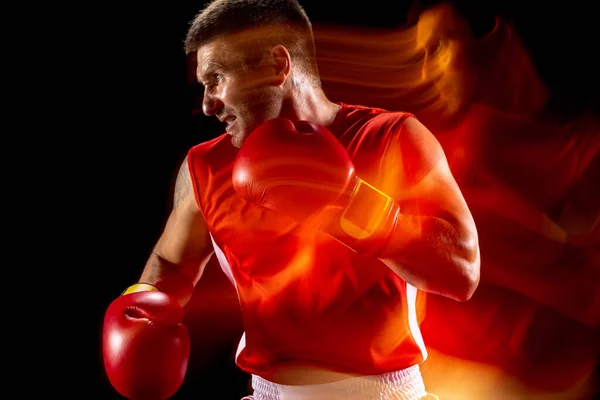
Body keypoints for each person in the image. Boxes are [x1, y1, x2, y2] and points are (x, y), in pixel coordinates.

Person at [102, 1, 481, 399]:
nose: (208, 104)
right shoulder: (206, 167)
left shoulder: (391, 138)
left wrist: (347, 202)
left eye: (216, 79)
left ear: (277, 65)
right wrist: (140, 309)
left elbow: (461, 271)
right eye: (203, 86)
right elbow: (171, 263)